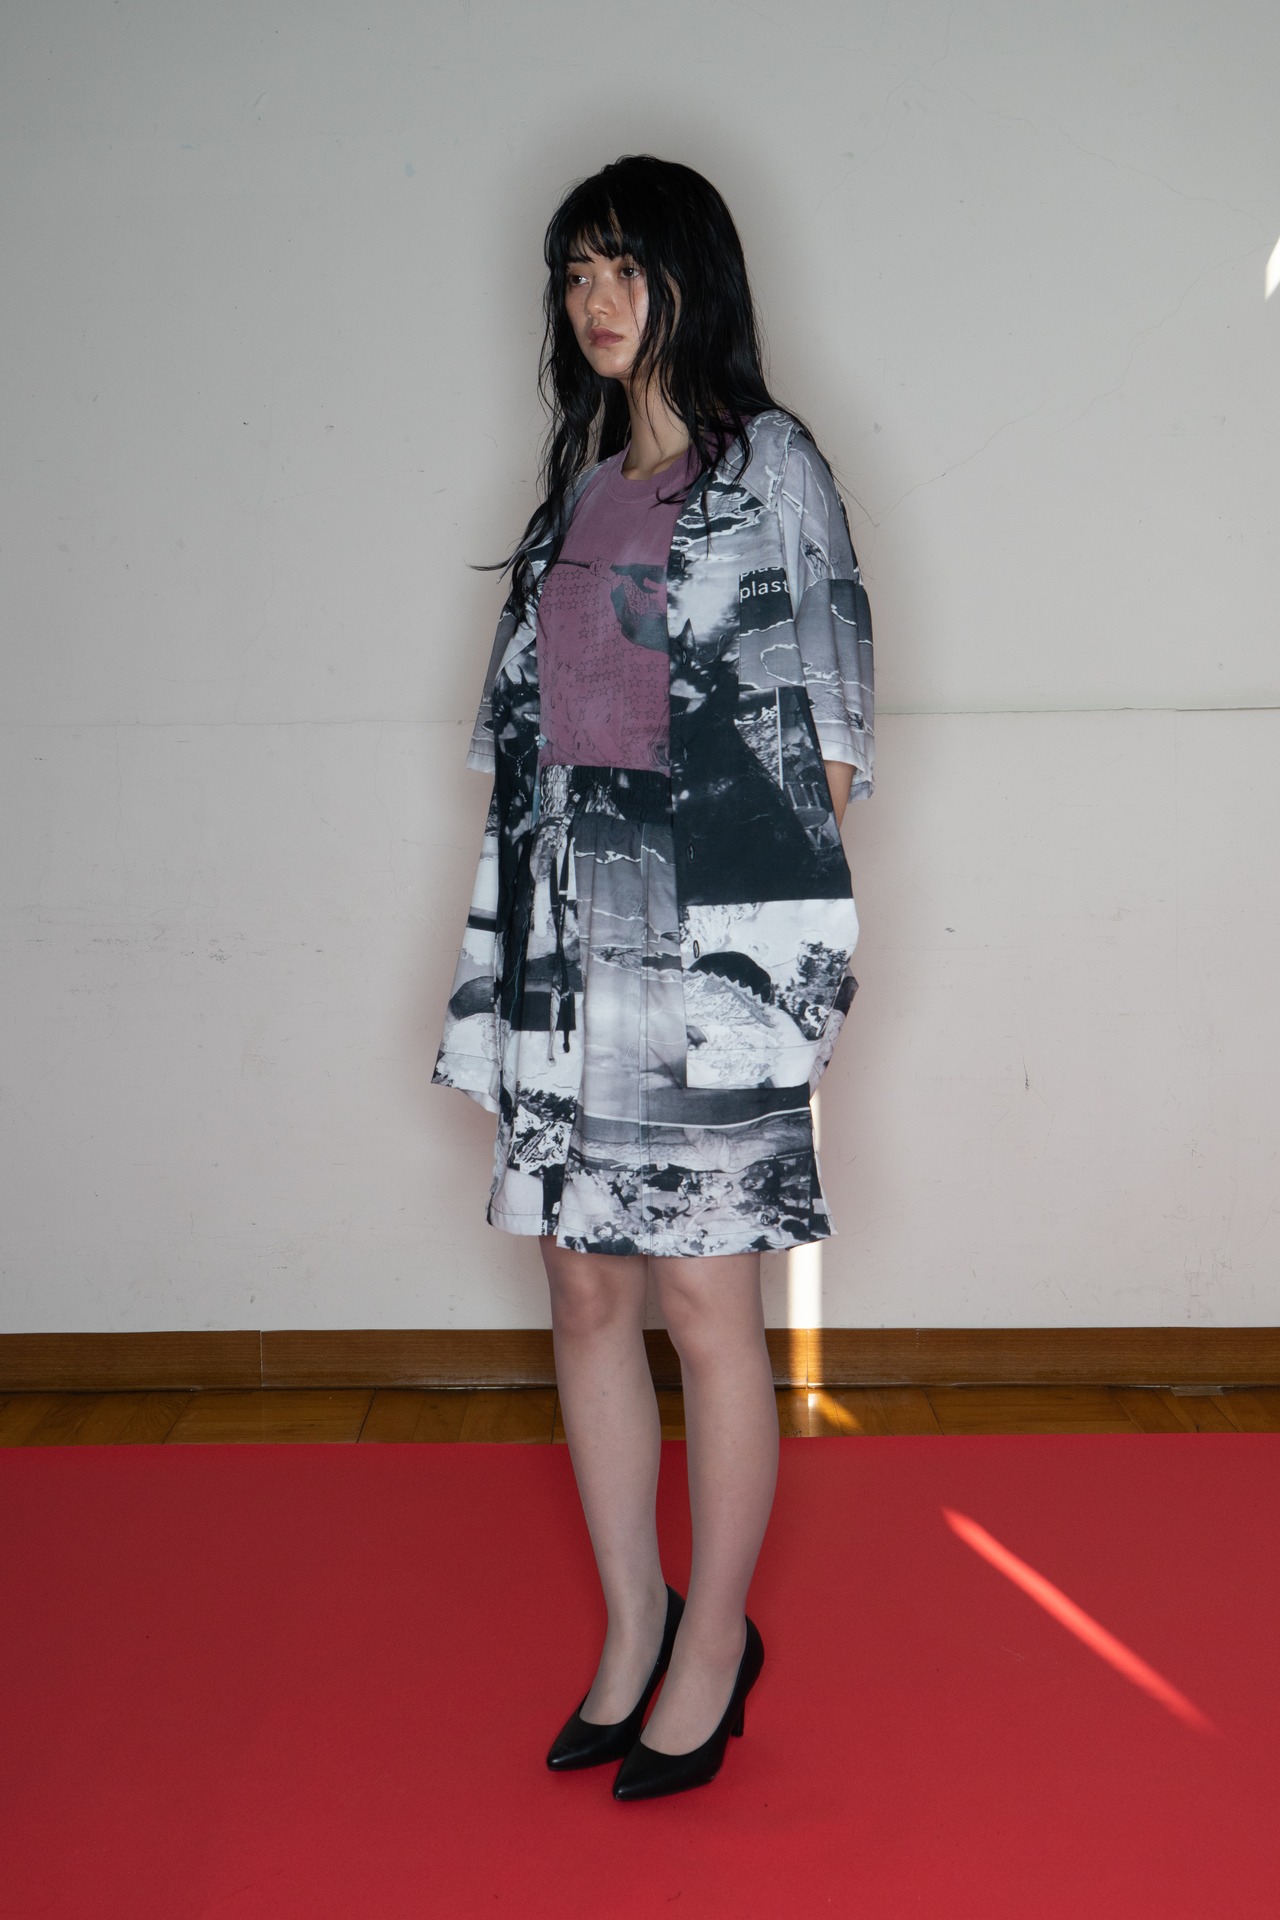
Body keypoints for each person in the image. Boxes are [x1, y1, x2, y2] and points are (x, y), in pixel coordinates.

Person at [432, 154, 874, 1801]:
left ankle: (715, 1645)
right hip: (568, 930)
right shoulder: (580, 489)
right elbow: (530, 747)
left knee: (706, 1304)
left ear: (694, 276)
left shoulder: (776, 470)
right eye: (576, 274)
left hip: (710, 940)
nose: (596, 302)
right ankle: (636, 1625)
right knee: (584, 1289)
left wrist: (770, 966)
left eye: (624, 267)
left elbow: (830, 730)